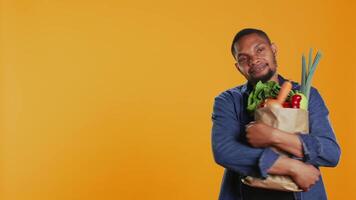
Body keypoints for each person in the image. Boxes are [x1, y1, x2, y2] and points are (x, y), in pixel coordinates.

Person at [211, 28, 341, 200]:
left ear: (273, 49)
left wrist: (273, 136)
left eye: (260, 49)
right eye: (244, 58)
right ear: (238, 67)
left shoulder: (306, 95)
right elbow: (224, 151)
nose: (254, 60)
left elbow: (331, 153)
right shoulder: (228, 100)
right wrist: (290, 167)